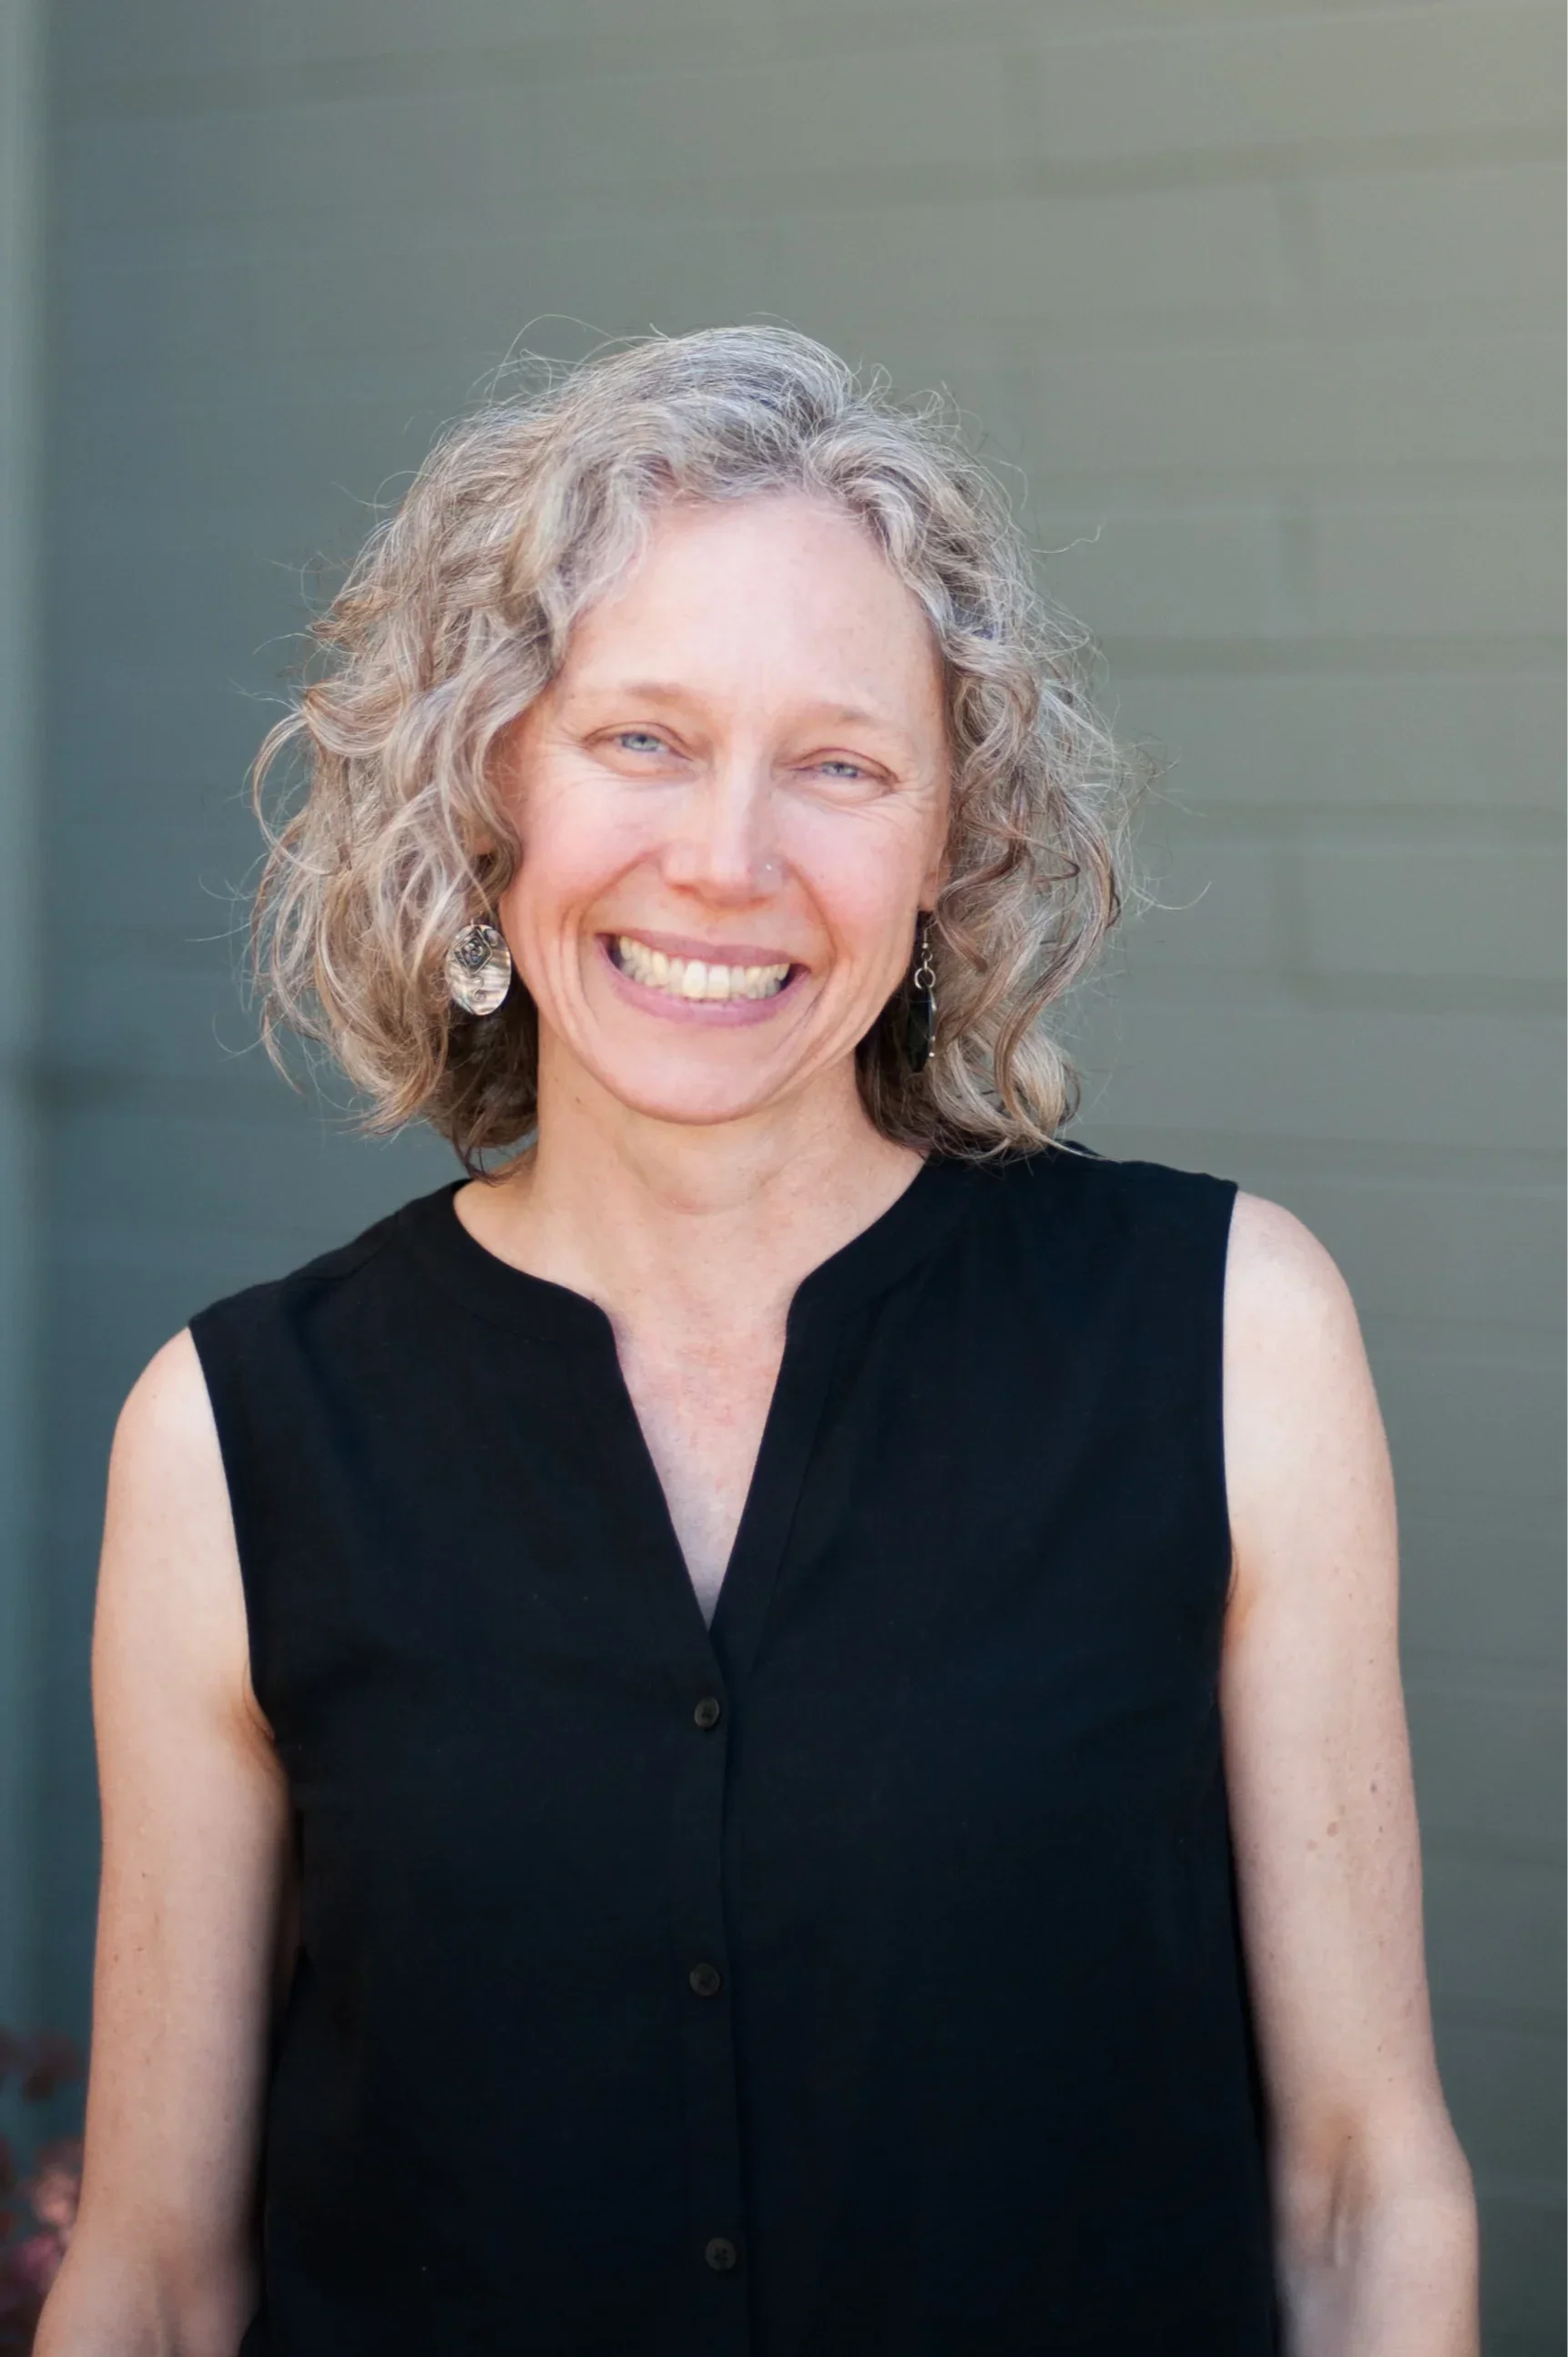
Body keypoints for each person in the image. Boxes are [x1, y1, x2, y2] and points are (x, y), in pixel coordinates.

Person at [38, 327, 1478, 2357]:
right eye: (640, 737)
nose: (729, 856)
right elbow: (164, 2279)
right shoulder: (234, 1437)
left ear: (948, 846)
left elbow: (1360, 2186)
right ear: (486, 790)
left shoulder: (1233, 1337)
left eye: (841, 762)